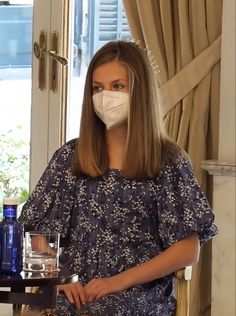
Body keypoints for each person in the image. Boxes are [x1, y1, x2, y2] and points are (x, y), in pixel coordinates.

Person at [19, 40, 218, 316]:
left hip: (137, 292)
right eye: (97, 88)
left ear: (140, 91)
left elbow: (188, 249)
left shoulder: (168, 161)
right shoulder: (70, 156)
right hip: (72, 286)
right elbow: (34, 232)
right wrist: (62, 275)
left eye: (118, 86)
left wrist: (118, 282)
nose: (106, 97)